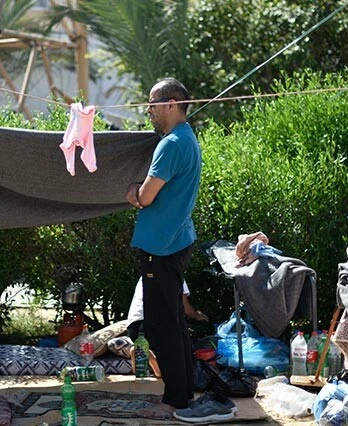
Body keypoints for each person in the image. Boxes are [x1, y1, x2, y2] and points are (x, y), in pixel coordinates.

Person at [125, 77, 202, 419]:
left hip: (163, 246)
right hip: (174, 241)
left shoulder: (171, 144)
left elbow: (146, 196)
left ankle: (176, 401)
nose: (148, 110)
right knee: (173, 322)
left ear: (171, 104)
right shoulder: (186, 138)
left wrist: (133, 193)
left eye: (153, 103)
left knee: (161, 325)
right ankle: (181, 394)